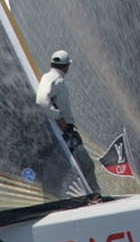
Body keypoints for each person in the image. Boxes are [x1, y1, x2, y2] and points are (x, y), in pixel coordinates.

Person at [36, 50, 99, 194]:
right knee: (86, 164)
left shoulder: (53, 78)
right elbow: (41, 101)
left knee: (67, 168)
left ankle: (54, 196)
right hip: (64, 132)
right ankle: (95, 195)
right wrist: (59, 119)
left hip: (64, 131)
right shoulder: (53, 79)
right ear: (66, 66)